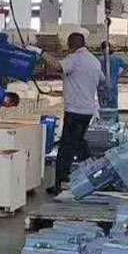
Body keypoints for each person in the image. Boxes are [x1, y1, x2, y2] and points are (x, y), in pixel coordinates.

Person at [41, 32, 104, 195]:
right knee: (79, 143)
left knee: (66, 147)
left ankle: (60, 182)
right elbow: (102, 80)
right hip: (88, 110)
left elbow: (57, 66)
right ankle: (95, 174)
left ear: (71, 44)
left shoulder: (74, 59)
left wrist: (40, 53)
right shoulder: (94, 61)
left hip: (74, 110)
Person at [99, 41, 128, 110]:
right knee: (113, 109)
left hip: (102, 88)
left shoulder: (100, 59)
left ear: (102, 49)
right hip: (113, 87)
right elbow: (127, 68)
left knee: (103, 110)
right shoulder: (117, 59)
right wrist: (120, 75)